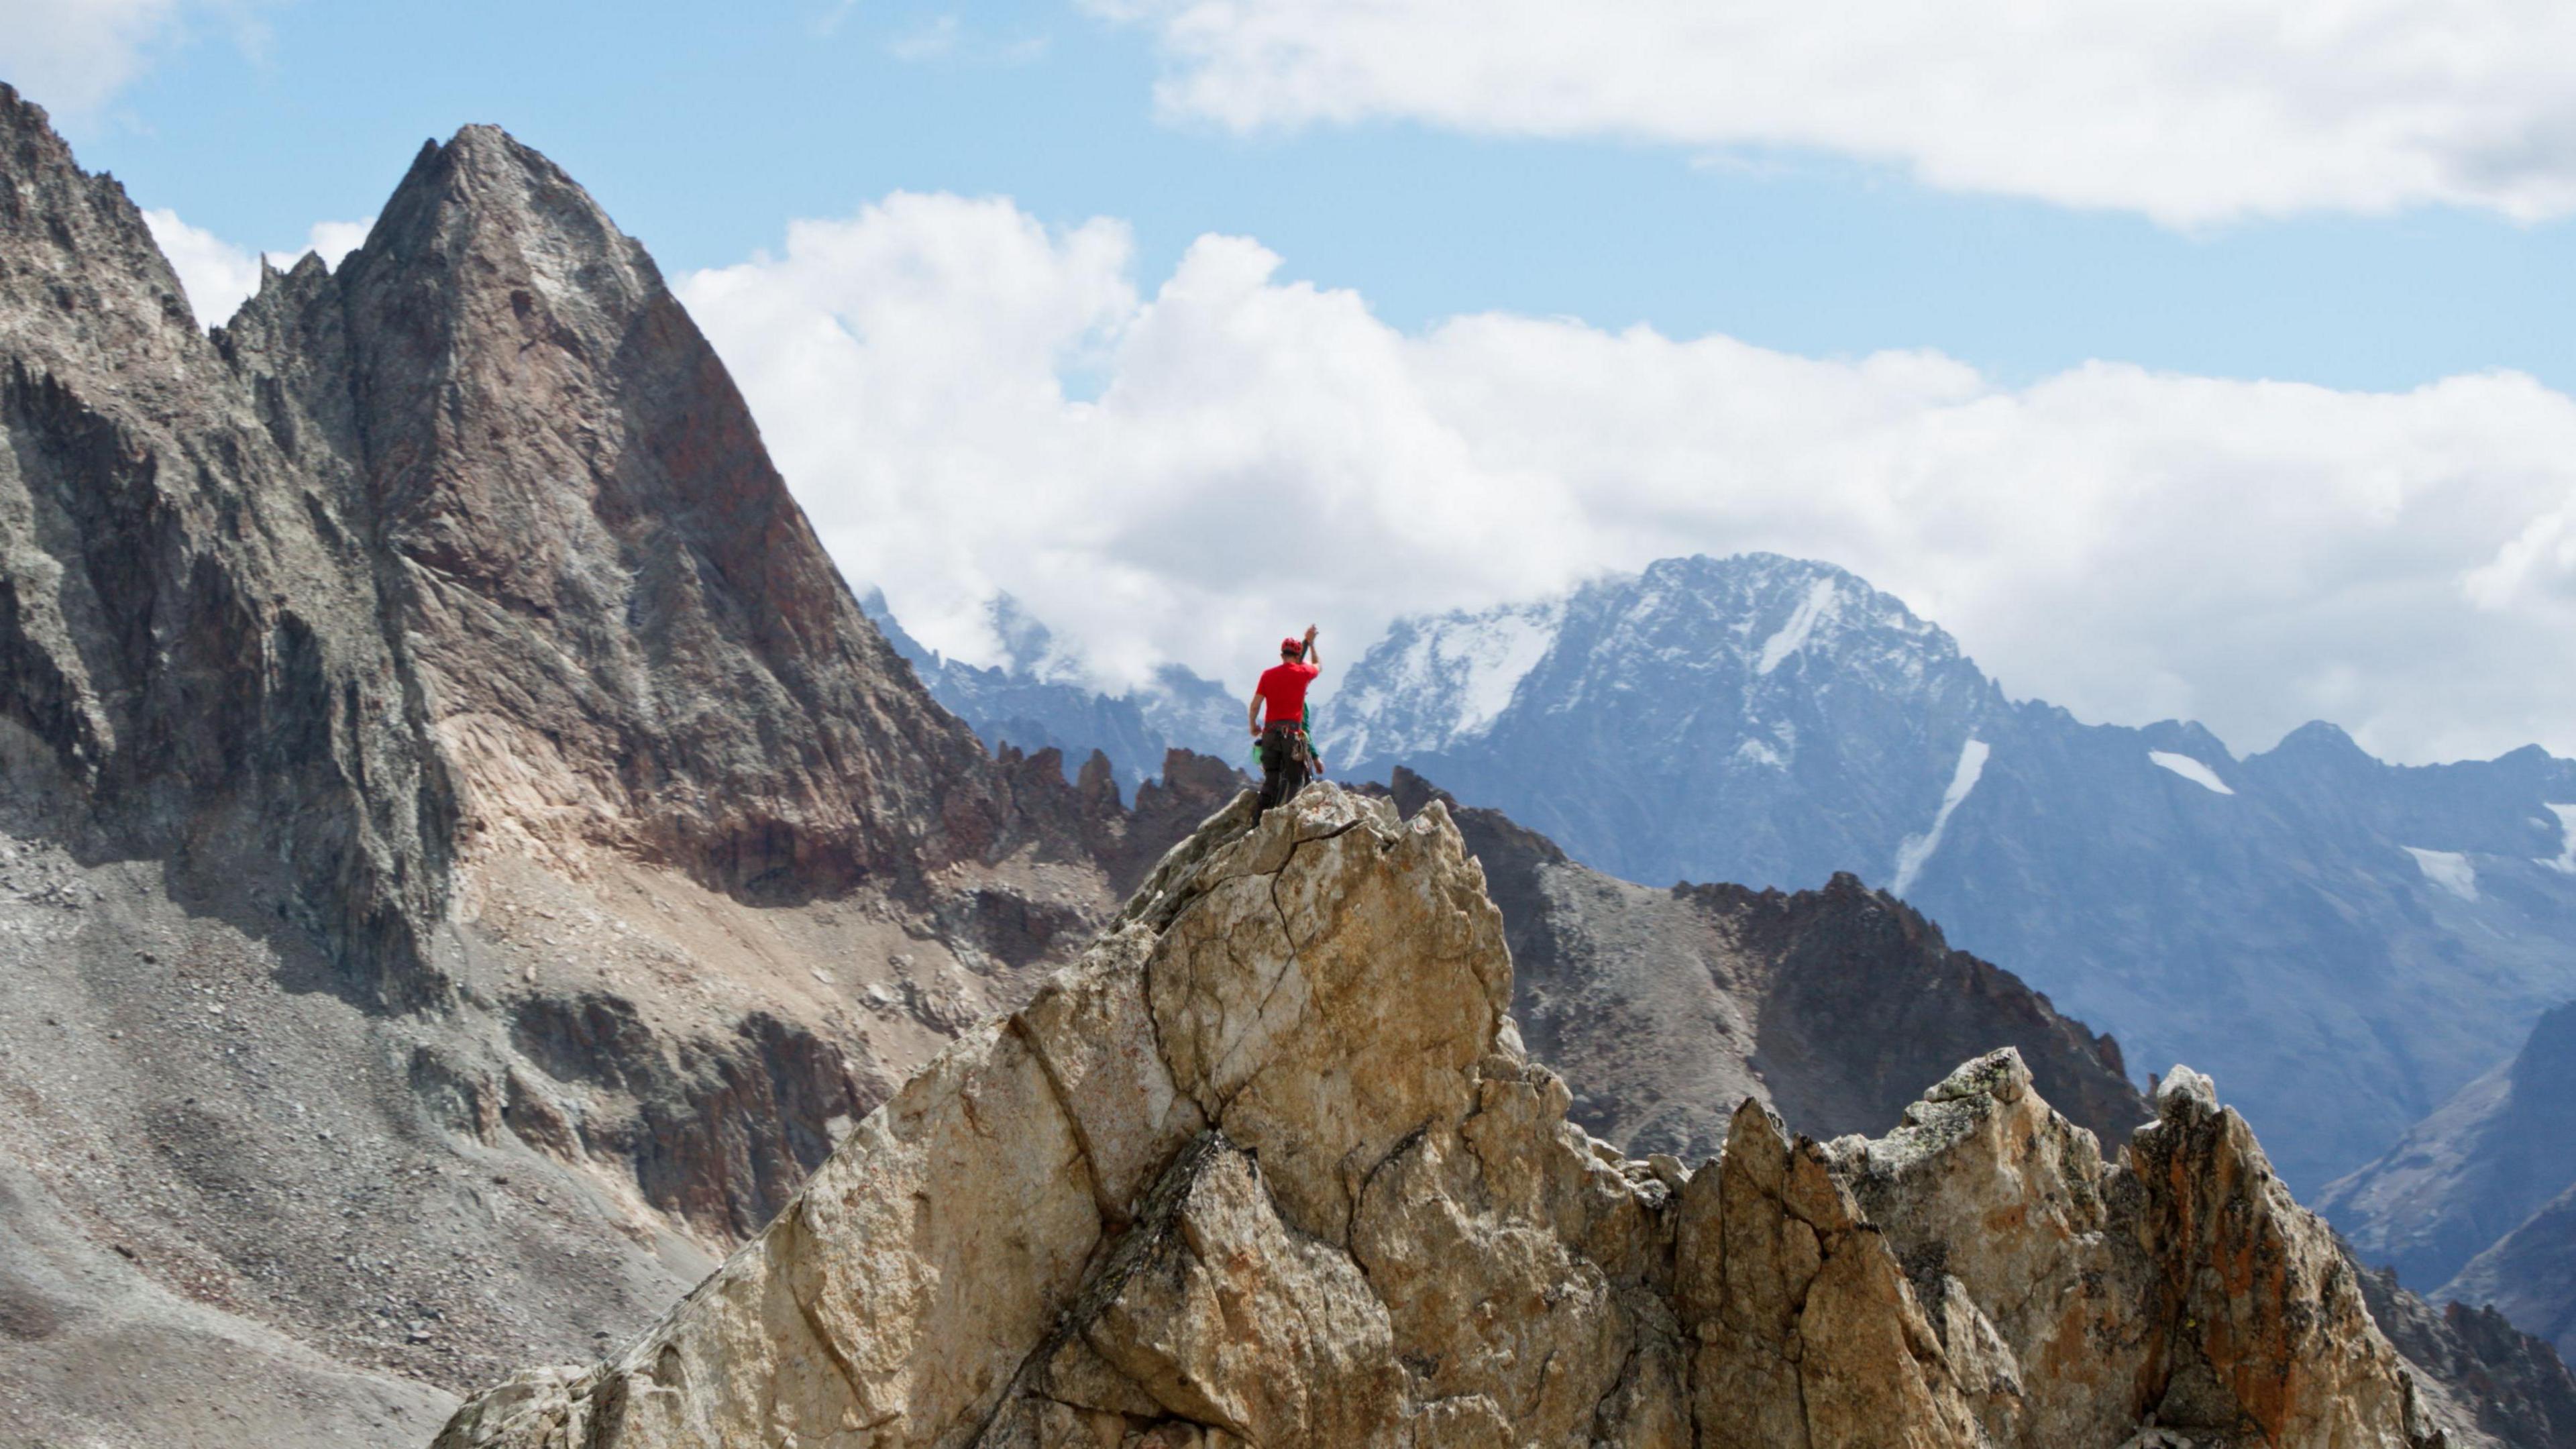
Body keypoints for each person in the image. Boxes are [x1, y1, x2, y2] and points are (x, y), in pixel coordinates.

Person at [1249, 625, 1321, 818]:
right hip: (1291, 735)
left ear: (1282, 655)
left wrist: (1253, 726)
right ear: (1298, 656)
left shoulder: (1267, 675)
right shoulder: (1303, 672)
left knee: (1271, 778)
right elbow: (1318, 666)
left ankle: (1258, 820)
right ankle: (1287, 820)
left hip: (1270, 734)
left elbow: (1255, 706)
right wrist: (1312, 645)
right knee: (1295, 778)